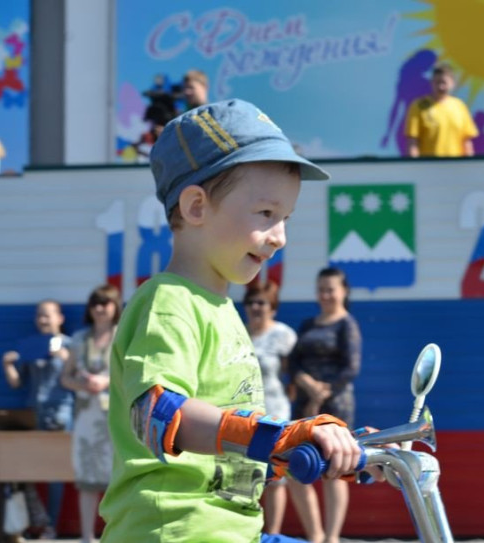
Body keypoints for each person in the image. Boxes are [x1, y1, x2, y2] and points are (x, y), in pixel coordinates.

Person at [97, 99, 362, 543]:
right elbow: (157, 413)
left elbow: (229, 457)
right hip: (175, 531)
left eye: (285, 218)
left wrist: (342, 449)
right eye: (266, 214)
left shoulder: (222, 310)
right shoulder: (168, 302)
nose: (280, 237)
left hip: (233, 529)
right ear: (196, 207)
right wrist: (275, 438)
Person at [288, 267, 362, 543]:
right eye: (321, 289)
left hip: (336, 406)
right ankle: (315, 535)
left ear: (344, 291)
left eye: (330, 289)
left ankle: (332, 537)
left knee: (335, 469)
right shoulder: (308, 324)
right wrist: (306, 383)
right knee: (295, 467)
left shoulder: (347, 324)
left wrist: (322, 393)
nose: (325, 295)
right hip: (304, 405)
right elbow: (293, 362)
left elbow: (351, 368)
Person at [2, 299, 74, 539]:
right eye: (39, 315)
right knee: (28, 470)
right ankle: (29, 523)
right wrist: (8, 364)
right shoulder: (30, 346)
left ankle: (51, 526)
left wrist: (66, 358)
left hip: (61, 411)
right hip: (35, 411)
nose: (42, 320)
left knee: (56, 472)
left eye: (47, 315)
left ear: (59, 318)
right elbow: (17, 382)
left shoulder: (70, 344)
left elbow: (80, 378)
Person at [59, 284, 121, 543]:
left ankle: (116, 534)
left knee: (116, 476)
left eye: (105, 303)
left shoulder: (123, 334)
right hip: (86, 415)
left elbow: (133, 374)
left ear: (115, 306)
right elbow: (66, 377)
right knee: (87, 476)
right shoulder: (79, 337)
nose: (99, 308)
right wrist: (84, 384)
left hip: (116, 416)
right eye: (95, 303)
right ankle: (87, 536)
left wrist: (106, 382)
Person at [242, 282, 300, 535]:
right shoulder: (238, 332)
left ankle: (273, 534)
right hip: (245, 413)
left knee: (275, 475)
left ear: (273, 308)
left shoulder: (283, 335)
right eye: (251, 302)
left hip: (276, 412)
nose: (255, 307)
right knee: (245, 474)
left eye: (261, 302)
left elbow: (295, 372)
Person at [404, 63, 478, 157]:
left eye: (444, 83)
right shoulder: (419, 106)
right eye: (437, 82)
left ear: (452, 84)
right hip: (429, 164)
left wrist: (469, 164)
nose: (440, 87)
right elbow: (412, 141)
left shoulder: (460, 107)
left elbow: (467, 142)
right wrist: (414, 164)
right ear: (432, 83)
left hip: (456, 165)